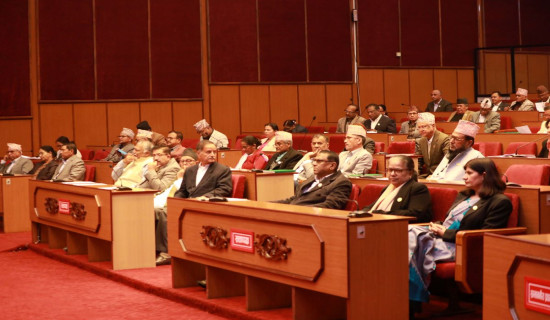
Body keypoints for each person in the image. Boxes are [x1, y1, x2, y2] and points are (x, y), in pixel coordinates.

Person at [408, 158, 512, 313]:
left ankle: (411, 301)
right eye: (465, 172)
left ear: (484, 175)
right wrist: (437, 226)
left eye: (469, 173)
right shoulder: (463, 196)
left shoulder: (499, 201)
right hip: (441, 238)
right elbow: (449, 221)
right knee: (407, 234)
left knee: (409, 245)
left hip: (462, 246)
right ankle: (410, 299)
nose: (464, 177)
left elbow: (487, 234)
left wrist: (446, 233)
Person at [154, 149, 199, 266]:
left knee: (165, 212)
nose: (185, 164)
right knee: (145, 209)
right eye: (182, 161)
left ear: (197, 162)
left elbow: (189, 192)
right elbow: (167, 190)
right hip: (164, 200)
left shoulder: (197, 174)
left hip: (184, 204)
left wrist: (181, 179)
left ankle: (166, 252)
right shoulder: (180, 174)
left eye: (189, 161)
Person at [362, 156, 432, 223]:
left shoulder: (417, 188)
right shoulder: (387, 188)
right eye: (390, 170)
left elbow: (415, 214)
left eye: (398, 170)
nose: (392, 174)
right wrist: (361, 213)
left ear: (410, 172)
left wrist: (382, 214)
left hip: (401, 228)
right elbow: (372, 208)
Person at [274, 150, 352, 209]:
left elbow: (330, 206)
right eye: (314, 160)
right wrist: (270, 204)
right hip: (294, 211)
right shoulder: (312, 178)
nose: (314, 164)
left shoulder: (341, 182)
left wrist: (298, 209)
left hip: (311, 218)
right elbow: (296, 198)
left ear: (332, 165)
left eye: (319, 161)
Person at [415, 113, 449, 178]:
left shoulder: (444, 139)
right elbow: (419, 161)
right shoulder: (422, 141)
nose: (421, 130)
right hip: (427, 175)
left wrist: (437, 175)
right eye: (419, 127)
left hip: (441, 175)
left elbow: (447, 161)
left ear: (433, 126)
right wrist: (415, 175)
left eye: (424, 126)